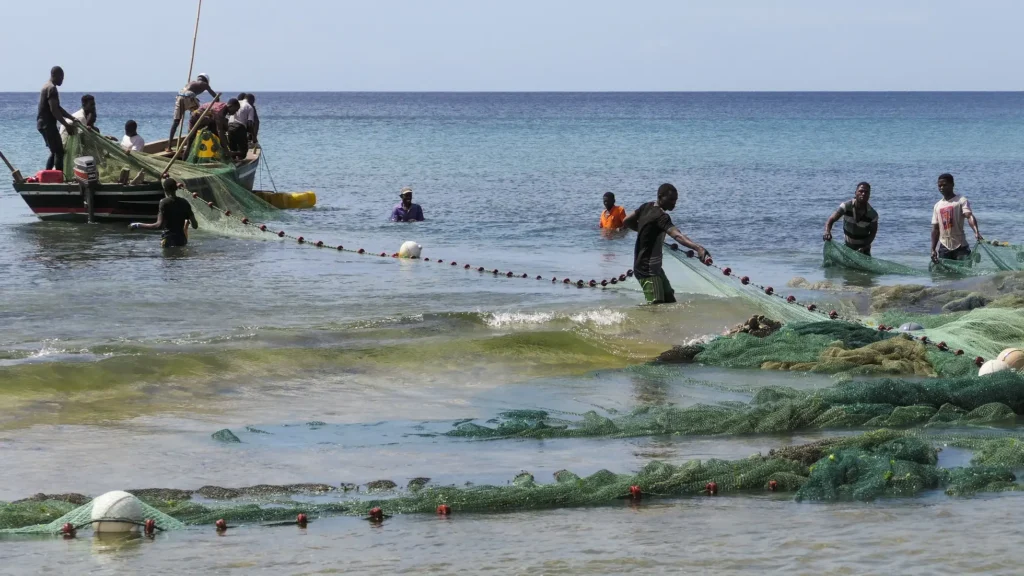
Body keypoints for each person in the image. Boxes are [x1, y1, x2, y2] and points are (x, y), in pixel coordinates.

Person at [623, 183, 710, 304]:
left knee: (670, 301)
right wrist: (698, 248)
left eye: (675, 200)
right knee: (655, 307)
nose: (674, 203)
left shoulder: (646, 206)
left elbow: (626, 220)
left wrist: (645, 231)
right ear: (660, 197)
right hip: (647, 270)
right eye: (671, 199)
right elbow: (677, 235)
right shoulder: (661, 217)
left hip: (655, 268)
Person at [129, 178, 198, 248]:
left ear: (165, 189)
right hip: (181, 240)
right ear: (176, 188)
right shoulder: (185, 202)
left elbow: (158, 225)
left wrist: (137, 225)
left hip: (168, 240)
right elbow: (195, 226)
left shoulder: (164, 202)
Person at [931, 173, 982, 262]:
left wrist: (976, 232)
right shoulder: (937, 206)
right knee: (944, 271)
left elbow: (969, 216)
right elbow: (935, 229)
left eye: (944, 185)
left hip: (961, 247)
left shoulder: (961, 201)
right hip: (944, 247)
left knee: (964, 270)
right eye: (939, 186)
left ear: (952, 185)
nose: (942, 188)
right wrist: (933, 249)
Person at [37, 66, 77, 171]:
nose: (62, 80)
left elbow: (57, 107)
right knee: (59, 152)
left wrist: (71, 118)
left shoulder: (46, 86)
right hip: (47, 125)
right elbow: (54, 110)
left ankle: (48, 174)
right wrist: (66, 125)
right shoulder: (52, 88)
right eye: (61, 77)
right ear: (54, 75)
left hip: (42, 124)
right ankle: (59, 176)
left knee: (54, 151)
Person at [822, 182, 878, 255]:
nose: (863, 194)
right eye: (861, 191)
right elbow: (831, 220)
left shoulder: (873, 215)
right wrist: (827, 232)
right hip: (847, 248)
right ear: (855, 193)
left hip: (863, 251)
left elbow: (872, 234)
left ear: (869, 195)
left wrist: (865, 246)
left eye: (866, 192)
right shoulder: (846, 206)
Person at [167, 73, 216, 151]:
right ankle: (193, 142)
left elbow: (187, 92)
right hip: (189, 96)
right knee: (200, 118)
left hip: (180, 96)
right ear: (206, 80)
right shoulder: (204, 84)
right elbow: (214, 95)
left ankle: (169, 147)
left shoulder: (191, 83)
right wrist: (218, 102)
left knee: (176, 122)